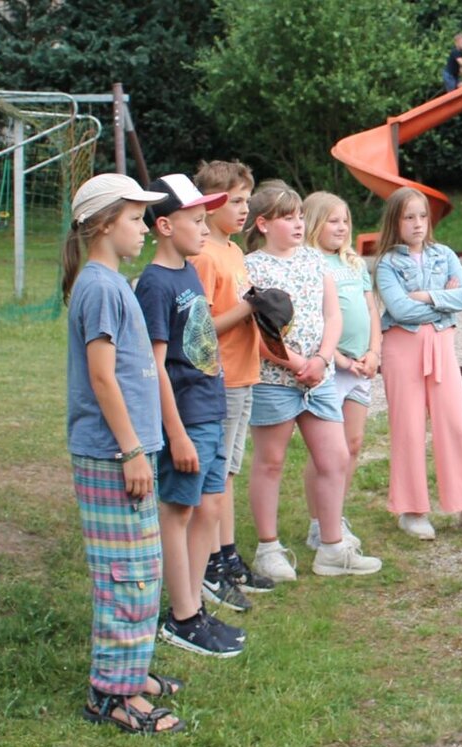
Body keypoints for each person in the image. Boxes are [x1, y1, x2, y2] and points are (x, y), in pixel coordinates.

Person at [63, 173, 184, 733]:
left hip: (129, 453)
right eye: (136, 218)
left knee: (142, 571)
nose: (143, 228)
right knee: (124, 576)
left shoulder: (111, 282)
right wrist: (133, 450)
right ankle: (111, 695)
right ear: (105, 223)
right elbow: (102, 379)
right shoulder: (100, 287)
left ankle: (132, 677)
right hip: (113, 457)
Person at [243, 181, 382, 580]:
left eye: (300, 215)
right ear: (264, 224)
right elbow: (255, 332)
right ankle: (268, 548)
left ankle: (332, 547)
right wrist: (296, 363)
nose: (298, 224)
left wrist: (321, 359)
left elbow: (331, 315)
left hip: (318, 377)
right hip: (274, 378)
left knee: (335, 457)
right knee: (270, 461)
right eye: (288, 218)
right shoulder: (252, 266)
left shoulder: (314, 261)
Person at [135, 173, 246, 658]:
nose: (206, 230)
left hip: (209, 408)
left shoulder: (189, 270)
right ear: (164, 225)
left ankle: (193, 606)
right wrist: (176, 434)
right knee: (177, 512)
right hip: (185, 417)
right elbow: (154, 366)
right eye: (196, 221)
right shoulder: (156, 284)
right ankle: (181, 618)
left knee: (208, 508)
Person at [374, 186, 462, 541]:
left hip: (441, 345)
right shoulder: (387, 263)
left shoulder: (444, 254)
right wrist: (443, 302)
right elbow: (399, 309)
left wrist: (428, 296)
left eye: (422, 216)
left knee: (456, 424)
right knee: (408, 428)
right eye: (409, 217)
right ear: (396, 221)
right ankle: (412, 510)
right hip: (401, 349)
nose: (418, 224)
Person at [190, 160, 275, 612]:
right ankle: (209, 565)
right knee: (215, 478)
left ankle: (226, 556)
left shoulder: (234, 252)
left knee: (228, 474)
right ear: (208, 204)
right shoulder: (204, 255)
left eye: (247, 199)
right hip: (217, 379)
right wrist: (248, 309)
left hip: (244, 375)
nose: (244, 208)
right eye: (235, 200)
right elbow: (200, 329)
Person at [301, 192, 382, 553]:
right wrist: (339, 358)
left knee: (353, 444)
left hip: (361, 368)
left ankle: (337, 513)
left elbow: (371, 311)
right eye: (333, 220)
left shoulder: (354, 263)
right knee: (326, 451)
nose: (341, 227)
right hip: (332, 367)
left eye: (345, 220)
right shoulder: (309, 263)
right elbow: (313, 321)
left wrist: (374, 352)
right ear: (315, 222)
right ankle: (318, 523)